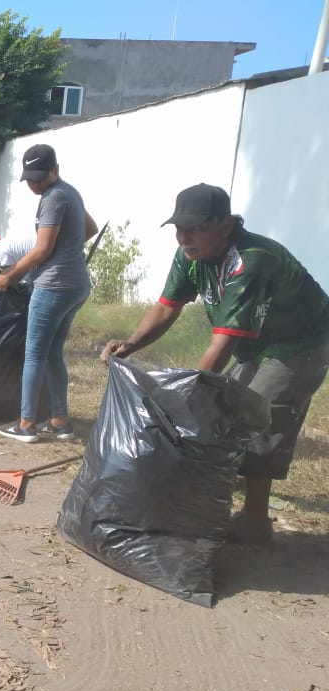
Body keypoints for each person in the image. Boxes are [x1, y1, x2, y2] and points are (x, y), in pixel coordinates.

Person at [101, 183, 329, 543]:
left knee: (259, 418)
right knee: (223, 413)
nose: (183, 237)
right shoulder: (191, 255)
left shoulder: (251, 261)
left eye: (194, 227)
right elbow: (165, 307)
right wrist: (130, 344)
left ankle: (255, 521)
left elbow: (222, 346)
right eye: (178, 228)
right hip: (255, 343)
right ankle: (221, 491)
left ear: (225, 224)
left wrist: (179, 401)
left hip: (299, 345)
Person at [0, 144, 98, 443]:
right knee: (53, 353)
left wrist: (10, 275)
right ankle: (60, 421)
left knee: (34, 354)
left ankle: (26, 424)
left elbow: (42, 249)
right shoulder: (70, 193)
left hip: (53, 287)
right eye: (30, 178)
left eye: (40, 177)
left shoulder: (53, 198)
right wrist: (69, 248)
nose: (35, 184)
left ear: (56, 170)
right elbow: (89, 228)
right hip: (76, 284)